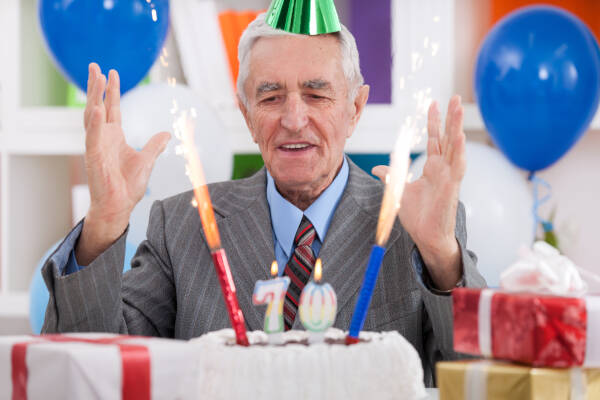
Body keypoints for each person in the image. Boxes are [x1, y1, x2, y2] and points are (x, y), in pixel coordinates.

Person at [41, 14, 485, 385]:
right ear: (246, 115)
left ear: (354, 108)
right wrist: (103, 223)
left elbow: (480, 381)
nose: (294, 119)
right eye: (271, 97)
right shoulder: (182, 225)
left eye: (316, 94)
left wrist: (442, 259)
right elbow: (86, 372)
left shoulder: (418, 227)